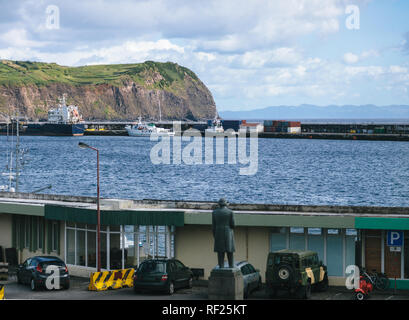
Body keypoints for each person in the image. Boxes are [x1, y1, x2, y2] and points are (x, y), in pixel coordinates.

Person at [212, 198, 235, 268]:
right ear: (226, 204)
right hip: (228, 233)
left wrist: (215, 235)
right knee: (230, 251)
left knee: (220, 252)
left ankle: (221, 266)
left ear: (219, 204)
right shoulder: (230, 212)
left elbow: (213, 226)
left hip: (218, 233)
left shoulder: (214, 212)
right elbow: (233, 224)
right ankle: (231, 266)